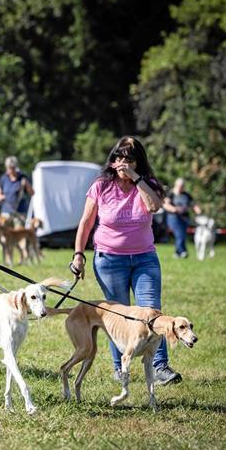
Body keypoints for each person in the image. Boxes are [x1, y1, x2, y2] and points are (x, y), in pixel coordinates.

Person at [71, 136, 182, 386]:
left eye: (129, 159)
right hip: (109, 260)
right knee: (117, 314)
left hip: (145, 259)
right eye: (119, 157)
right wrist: (78, 254)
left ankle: (159, 366)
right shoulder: (100, 186)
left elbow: (154, 207)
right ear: (112, 160)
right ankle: (120, 367)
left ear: (138, 162)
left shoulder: (147, 184)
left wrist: (136, 178)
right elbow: (86, 223)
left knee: (151, 311)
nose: (123, 163)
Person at [163, 177, 201, 259]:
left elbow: (193, 205)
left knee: (181, 234)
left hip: (184, 218)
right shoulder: (171, 194)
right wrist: (175, 209)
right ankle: (183, 251)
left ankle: (177, 253)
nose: (181, 188)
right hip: (173, 217)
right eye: (179, 186)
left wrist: (199, 212)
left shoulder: (186, 195)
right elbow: (165, 204)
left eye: (182, 186)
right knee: (179, 233)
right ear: (176, 185)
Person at [0, 155, 34, 228]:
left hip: (19, 212)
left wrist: (26, 184)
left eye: (12, 168)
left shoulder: (22, 178)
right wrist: (0, 197)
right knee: (6, 234)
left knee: (19, 233)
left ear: (15, 167)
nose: (10, 170)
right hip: (6, 212)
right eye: (8, 167)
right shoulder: (4, 178)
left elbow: (32, 193)